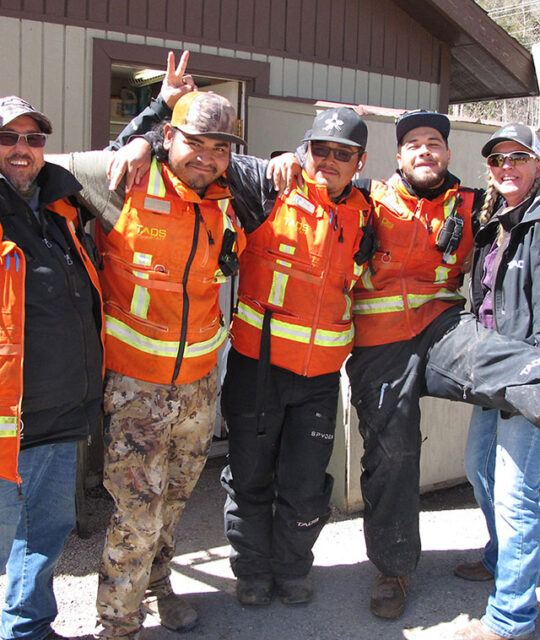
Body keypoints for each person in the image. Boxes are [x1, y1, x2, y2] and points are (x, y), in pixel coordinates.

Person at [109, 97, 373, 605]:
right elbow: (195, 161)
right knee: (250, 477)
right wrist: (144, 134)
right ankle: (251, 572)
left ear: (360, 163)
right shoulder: (264, 188)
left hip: (319, 379)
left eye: (344, 154)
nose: (330, 162)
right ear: (304, 150)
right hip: (257, 369)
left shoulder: (370, 210)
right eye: (320, 150)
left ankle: (293, 570)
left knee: (303, 485)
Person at [52, 78, 247, 637]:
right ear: (168, 137)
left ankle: (158, 584)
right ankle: (119, 625)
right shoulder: (121, 180)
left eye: (220, 147)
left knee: (175, 503)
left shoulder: (229, 193)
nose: (207, 158)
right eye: (195, 144)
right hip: (137, 389)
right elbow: (39, 164)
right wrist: (132, 139)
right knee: (136, 514)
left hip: (197, 387)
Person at [345, 110, 540, 621]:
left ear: (449, 154)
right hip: (380, 345)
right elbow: (310, 175)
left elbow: (527, 197)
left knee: (508, 365)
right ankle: (394, 567)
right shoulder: (367, 197)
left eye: (435, 142)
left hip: (442, 331)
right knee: (393, 455)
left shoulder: (477, 205)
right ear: (399, 155)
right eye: (414, 143)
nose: (425, 150)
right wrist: (291, 161)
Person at [0, 96, 104, 640]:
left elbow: (117, 154)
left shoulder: (61, 209)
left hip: (61, 410)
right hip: (5, 418)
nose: (22, 148)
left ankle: (28, 629)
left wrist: (159, 109)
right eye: (9, 137)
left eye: (33, 139)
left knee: (45, 532)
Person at [451, 124, 540, 640]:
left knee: (515, 495)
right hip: (493, 369)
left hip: (527, 376)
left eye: (519, 156)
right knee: (478, 469)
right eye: (497, 159)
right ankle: (501, 555)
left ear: (536, 164)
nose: (507, 165)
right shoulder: (495, 224)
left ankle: (511, 618)